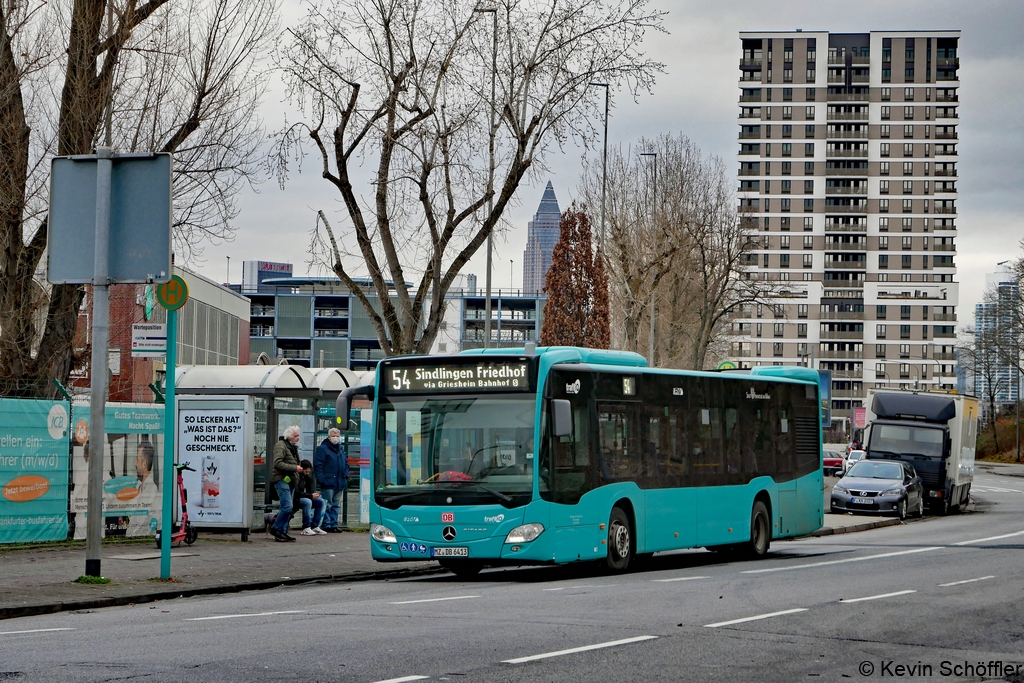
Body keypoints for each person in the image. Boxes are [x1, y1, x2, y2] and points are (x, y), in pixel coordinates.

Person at [271, 425, 304, 542]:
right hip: (282, 479)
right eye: (296, 436)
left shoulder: (291, 447)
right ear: (289, 436)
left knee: (288, 507)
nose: (298, 438)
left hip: (290, 480)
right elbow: (277, 463)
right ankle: (276, 528)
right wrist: (294, 467)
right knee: (287, 506)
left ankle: (282, 531)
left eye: (298, 435)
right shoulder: (281, 446)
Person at [314, 427, 349, 533]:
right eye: (333, 436)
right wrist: (321, 480)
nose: (335, 438)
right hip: (328, 481)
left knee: (336, 504)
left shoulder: (341, 449)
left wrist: (346, 475)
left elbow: (345, 463)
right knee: (327, 504)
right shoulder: (322, 449)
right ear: (329, 437)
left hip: (339, 481)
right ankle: (326, 524)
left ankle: (334, 523)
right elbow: (318, 465)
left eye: (337, 436)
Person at [295, 459, 327, 535]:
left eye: (309, 472)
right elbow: (297, 493)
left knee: (320, 502)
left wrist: (314, 495)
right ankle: (306, 527)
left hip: (302, 497)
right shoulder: (296, 477)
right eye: (306, 471)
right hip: (295, 498)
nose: (307, 473)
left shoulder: (306, 478)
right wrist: (310, 496)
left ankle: (315, 526)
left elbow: (309, 491)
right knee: (307, 502)